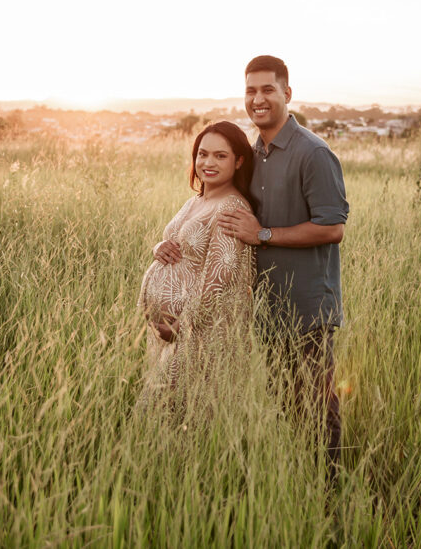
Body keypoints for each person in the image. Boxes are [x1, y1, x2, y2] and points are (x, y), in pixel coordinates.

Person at [218, 55, 349, 480]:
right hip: (269, 307)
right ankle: (298, 487)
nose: (258, 99)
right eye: (251, 90)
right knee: (287, 406)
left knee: (316, 408)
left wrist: (264, 236)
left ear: (287, 94)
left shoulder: (313, 153)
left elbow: (333, 229)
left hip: (309, 306)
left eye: (267, 89)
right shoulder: (252, 153)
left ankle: (331, 500)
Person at [136, 121, 257, 407]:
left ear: (239, 161)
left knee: (174, 416)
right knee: (162, 416)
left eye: (220, 155)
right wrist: (158, 248)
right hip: (171, 336)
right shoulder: (197, 201)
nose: (208, 162)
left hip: (196, 337)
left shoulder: (230, 207)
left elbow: (219, 278)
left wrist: (180, 326)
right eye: (202, 154)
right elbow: (180, 245)